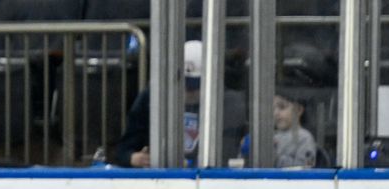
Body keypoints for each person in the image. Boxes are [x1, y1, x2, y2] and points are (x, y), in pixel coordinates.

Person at [112, 40, 246, 168]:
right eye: (184, 84)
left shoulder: (231, 104)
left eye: (195, 86)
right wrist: (134, 158)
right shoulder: (151, 99)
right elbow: (122, 151)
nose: (188, 91)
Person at [237, 90, 317, 168]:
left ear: (299, 110)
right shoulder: (271, 136)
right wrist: (246, 152)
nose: (275, 113)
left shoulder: (304, 137)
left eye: (282, 107)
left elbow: (305, 168)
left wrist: (270, 155)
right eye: (273, 109)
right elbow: (246, 166)